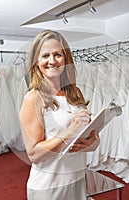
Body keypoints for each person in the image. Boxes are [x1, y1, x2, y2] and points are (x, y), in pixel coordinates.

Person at [19, 30, 100, 200]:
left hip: (77, 178)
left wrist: (92, 142)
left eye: (57, 55)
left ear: (66, 59)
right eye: (45, 56)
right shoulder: (33, 98)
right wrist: (70, 131)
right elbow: (34, 154)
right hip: (49, 186)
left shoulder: (74, 92)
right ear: (36, 62)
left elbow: (86, 139)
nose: (52, 61)